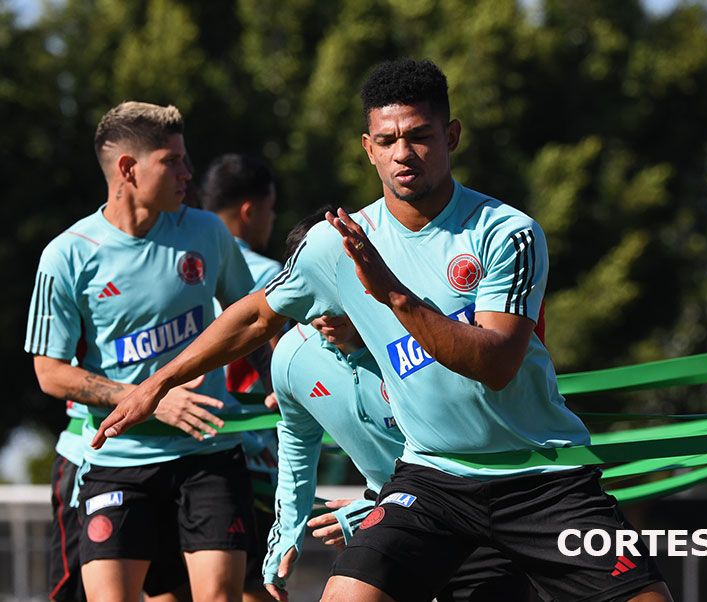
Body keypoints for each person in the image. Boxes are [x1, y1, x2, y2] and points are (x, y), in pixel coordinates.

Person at [92, 60, 672, 602]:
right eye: (388, 140)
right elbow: (255, 315)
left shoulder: (507, 232)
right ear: (367, 149)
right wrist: (157, 385)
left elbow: (496, 365)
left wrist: (392, 294)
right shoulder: (336, 242)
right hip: (434, 479)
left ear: (453, 136)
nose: (405, 153)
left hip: (541, 476)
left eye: (420, 135)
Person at [26, 101, 263, 602]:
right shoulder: (68, 254)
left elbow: (253, 322)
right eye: (171, 161)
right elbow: (49, 372)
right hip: (118, 459)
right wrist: (148, 397)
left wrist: (287, 385)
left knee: (222, 594)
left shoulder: (207, 232)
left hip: (208, 451)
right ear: (129, 169)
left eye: (185, 158)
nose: (188, 172)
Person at [262, 214, 534, 602]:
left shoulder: (422, 332)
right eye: (309, 294)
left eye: (331, 289)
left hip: (476, 504)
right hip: (400, 518)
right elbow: (294, 440)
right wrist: (287, 535)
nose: (323, 311)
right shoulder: (290, 357)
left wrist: (373, 507)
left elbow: (467, 440)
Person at [200, 153, 283, 602]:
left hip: (179, 456)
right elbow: (287, 367)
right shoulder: (269, 277)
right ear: (250, 210)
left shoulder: (180, 270)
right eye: (270, 211)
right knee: (258, 588)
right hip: (250, 459)